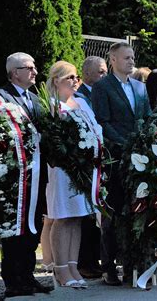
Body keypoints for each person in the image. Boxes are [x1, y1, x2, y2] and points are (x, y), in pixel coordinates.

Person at [91, 42, 152, 286]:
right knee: (113, 214)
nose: (131, 61)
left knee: (135, 211)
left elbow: (146, 117)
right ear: (113, 59)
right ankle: (108, 267)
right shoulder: (102, 87)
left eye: (133, 57)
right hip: (116, 159)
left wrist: (146, 142)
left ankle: (131, 266)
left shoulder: (139, 87)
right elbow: (103, 121)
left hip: (139, 159)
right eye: (126, 57)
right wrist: (126, 144)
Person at [0, 52, 53, 297]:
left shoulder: (35, 99)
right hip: (14, 180)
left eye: (34, 67)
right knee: (15, 227)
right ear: (13, 72)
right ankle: (13, 279)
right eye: (28, 68)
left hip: (37, 175)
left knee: (33, 225)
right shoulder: (1, 97)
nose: (34, 72)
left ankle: (28, 276)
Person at [45, 61, 102, 289]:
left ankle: (72, 265)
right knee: (63, 216)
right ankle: (60, 268)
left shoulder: (80, 103)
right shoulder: (51, 105)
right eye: (70, 77)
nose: (75, 81)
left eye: (76, 77)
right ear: (57, 80)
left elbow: (95, 130)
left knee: (78, 217)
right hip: (63, 169)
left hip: (84, 168)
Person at [72, 56, 108, 280]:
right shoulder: (79, 96)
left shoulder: (102, 93)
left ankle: (96, 259)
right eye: (100, 72)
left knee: (99, 212)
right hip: (85, 164)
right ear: (86, 74)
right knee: (86, 215)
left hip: (102, 159)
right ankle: (85, 261)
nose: (104, 75)